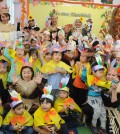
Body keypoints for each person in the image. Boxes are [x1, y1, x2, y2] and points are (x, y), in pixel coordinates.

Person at [86, 62, 112, 134]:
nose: (102, 74)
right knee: (97, 111)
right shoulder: (90, 78)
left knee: (103, 112)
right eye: (100, 72)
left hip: (99, 97)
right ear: (94, 72)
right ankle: (93, 125)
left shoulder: (102, 80)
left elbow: (106, 84)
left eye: (102, 73)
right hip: (92, 97)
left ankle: (102, 127)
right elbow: (84, 76)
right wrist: (85, 70)